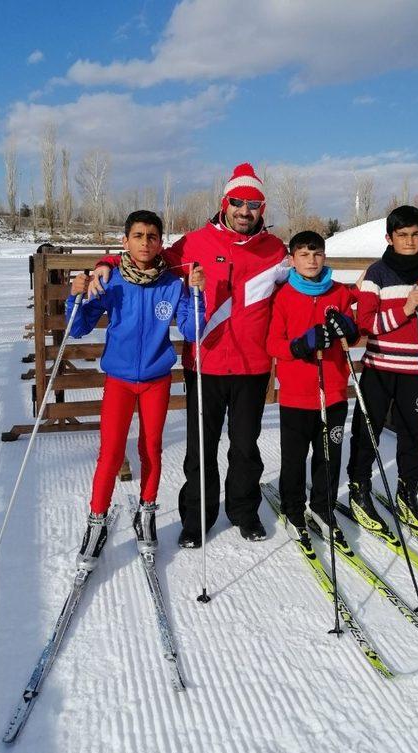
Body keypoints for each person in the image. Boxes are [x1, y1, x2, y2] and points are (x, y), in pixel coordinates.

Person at [89, 164, 288, 547]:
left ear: (262, 209)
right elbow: (147, 256)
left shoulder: (275, 250)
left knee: (245, 445)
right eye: (238, 202)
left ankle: (244, 511)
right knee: (202, 447)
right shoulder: (195, 243)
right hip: (206, 362)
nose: (245, 211)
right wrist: (105, 262)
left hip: (252, 364)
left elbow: (303, 276)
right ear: (224, 203)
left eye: (254, 204)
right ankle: (197, 518)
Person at [66, 210, 206, 569]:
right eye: (139, 236)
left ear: (161, 243)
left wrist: (196, 296)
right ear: (124, 242)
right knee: (111, 453)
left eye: (153, 236)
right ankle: (96, 523)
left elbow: (192, 332)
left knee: (151, 450)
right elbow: (78, 328)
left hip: (156, 380)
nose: (146, 242)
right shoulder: (111, 281)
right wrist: (76, 296)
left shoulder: (172, 283)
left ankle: (146, 514)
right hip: (120, 381)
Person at [346, 205, 418, 534]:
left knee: (412, 435)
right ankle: (358, 488)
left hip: (417, 367)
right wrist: (406, 308)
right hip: (380, 366)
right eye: (402, 235)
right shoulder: (376, 273)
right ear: (389, 237)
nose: (409, 241)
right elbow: (366, 324)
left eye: (415, 234)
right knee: (368, 430)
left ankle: (408, 493)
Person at [266, 231, 358, 545]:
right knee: (294, 458)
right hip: (296, 395)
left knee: (329, 456)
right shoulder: (283, 295)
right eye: (304, 255)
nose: (311, 260)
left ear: (324, 255)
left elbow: (352, 332)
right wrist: (300, 345)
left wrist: (350, 329)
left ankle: (323, 507)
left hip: (333, 391)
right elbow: (273, 344)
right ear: (292, 259)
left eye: (316, 253)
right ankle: (293, 508)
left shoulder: (339, 293)